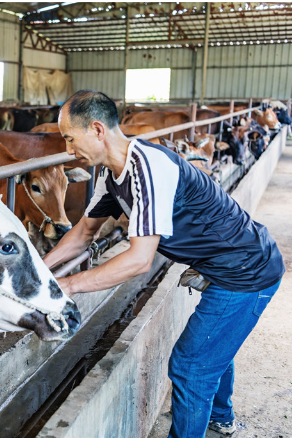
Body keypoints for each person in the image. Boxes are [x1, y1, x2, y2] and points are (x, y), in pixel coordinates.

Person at [44, 90, 285, 438]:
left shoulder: (149, 167)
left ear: (97, 130)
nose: (68, 150)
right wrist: (40, 271)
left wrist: (65, 286)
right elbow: (83, 234)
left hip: (246, 272)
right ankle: (220, 418)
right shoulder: (113, 177)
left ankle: (207, 423)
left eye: (69, 138)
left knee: (190, 366)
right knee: (213, 347)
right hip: (225, 266)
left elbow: (140, 260)